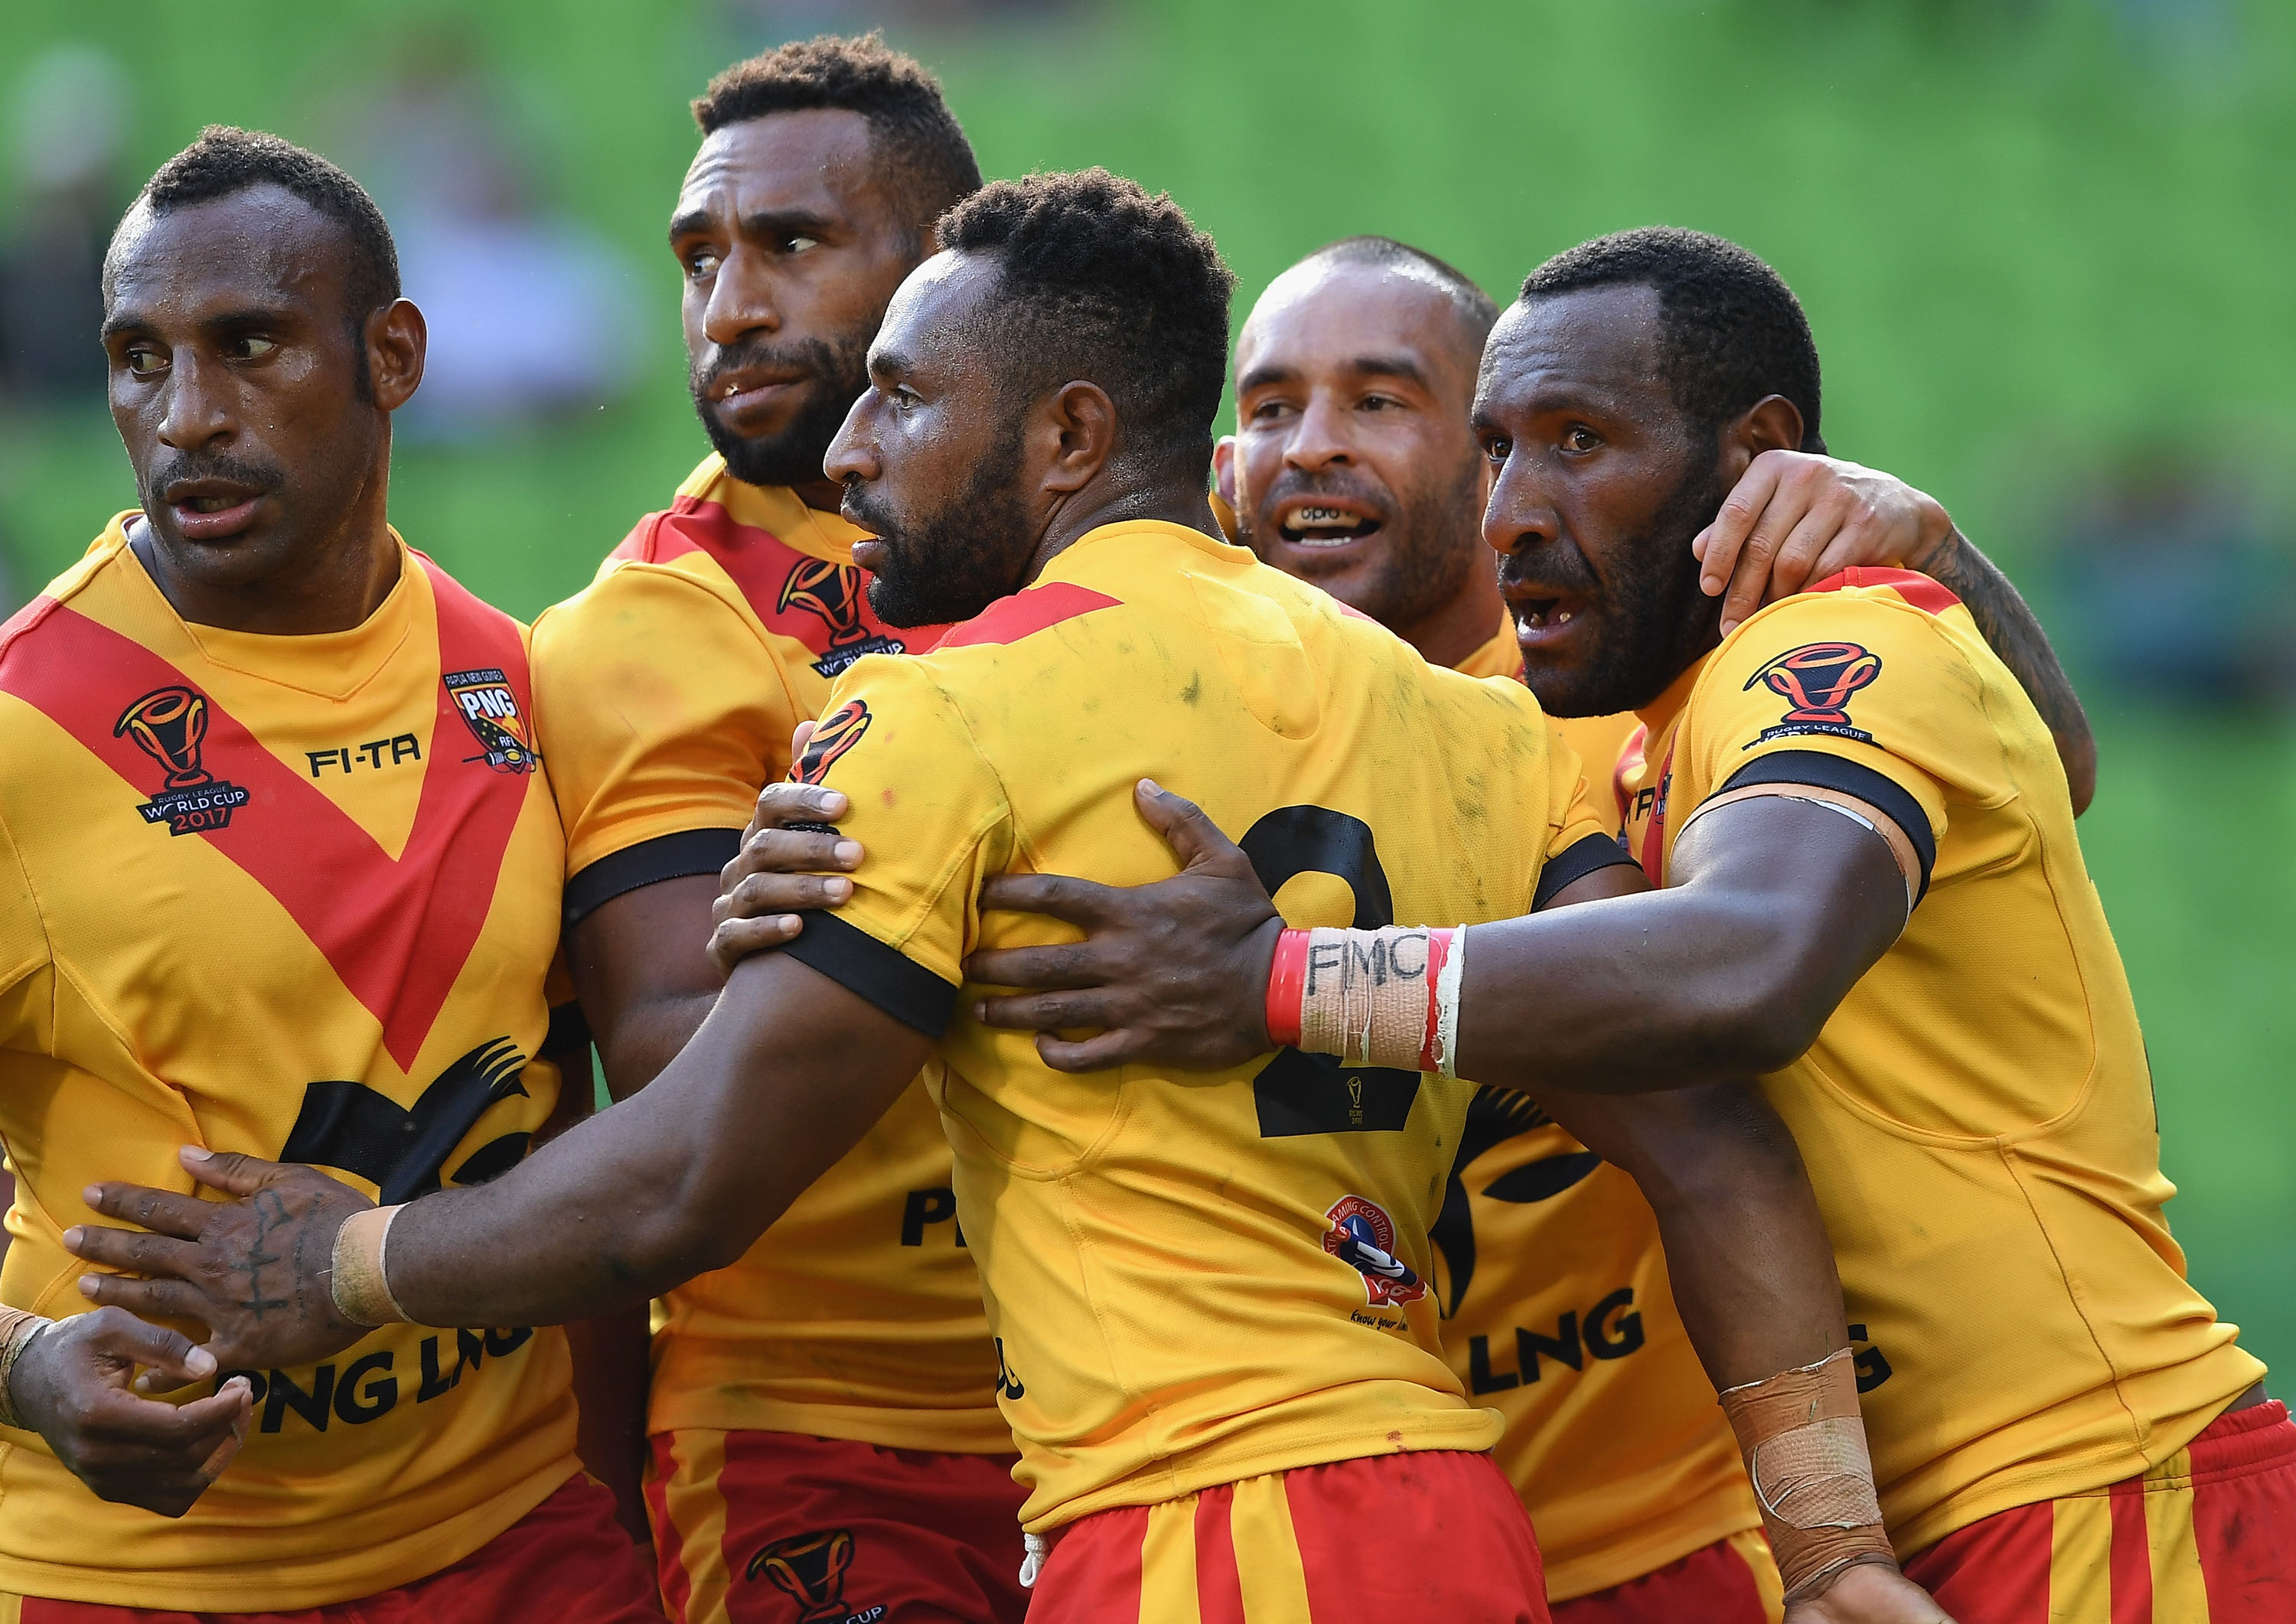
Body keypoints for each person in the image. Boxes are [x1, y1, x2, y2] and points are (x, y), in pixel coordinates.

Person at [63, 174, 1942, 1623]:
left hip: (1211, 1528)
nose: (854, 453)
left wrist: (336, 1265)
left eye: (899, 395)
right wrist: (1835, 1539)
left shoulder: (940, 708)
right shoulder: (1473, 723)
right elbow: (1709, 1134)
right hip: (1447, 1502)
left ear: (1060, 437)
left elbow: (692, 1170)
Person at [814, 226, 2289, 1621]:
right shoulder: (1515, 745)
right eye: (1270, 409)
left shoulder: (1814, 649)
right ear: (1213, 480)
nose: (1517, 496)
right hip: (1578, 1531)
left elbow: (1756, 961)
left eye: (1397, 404)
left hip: (2062, 1489)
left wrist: (1282, 978)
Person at [1211, 233, 2091, 1622]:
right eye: (1268, 409)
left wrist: (1932, 546)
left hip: (1720, 1533)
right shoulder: (1183, 714)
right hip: (1388, 1545)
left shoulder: (1623, 671)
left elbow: (2024, 770)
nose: (1312, 447)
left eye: (1380, 402)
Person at [0, 128, 659, 1619]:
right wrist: (23, 1366)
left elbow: (572, 1120)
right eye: (137, 359)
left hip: (521, 1541)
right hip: (145, 1578)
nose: (184, 415)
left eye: (248, 346)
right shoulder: (26, 732)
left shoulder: (510, 676)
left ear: (395, 354)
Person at [527, 34, 1027, 1624]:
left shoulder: (1137, 532)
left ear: (944, 267)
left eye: (789, 246)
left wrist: (1820, 508)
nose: (729, 306)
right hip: (829, 1431)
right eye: (697, 258)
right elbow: (680, 1056)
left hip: (1151, 1381)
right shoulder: (648, 626)